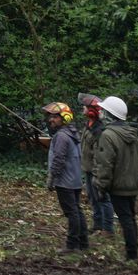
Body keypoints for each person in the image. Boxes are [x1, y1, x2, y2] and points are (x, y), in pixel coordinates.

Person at [91, 94, 138, 260]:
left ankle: (132, 255)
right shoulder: (131, 133)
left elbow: (105, 164)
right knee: (130, 217)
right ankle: (133, 251)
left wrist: (101, 186)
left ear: (109, 114)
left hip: (119, 185)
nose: (100, 113)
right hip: (132, 184)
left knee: (126, 219)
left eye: (104, 110)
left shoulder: (108, 135)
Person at [43, 102, 87, 251]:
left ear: (64, 118)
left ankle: (72, 245)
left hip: (65, 181)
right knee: (77, 211)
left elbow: (59, 159)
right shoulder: (73, 133)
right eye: (50, 116)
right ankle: (83, 243)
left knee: (72, 213)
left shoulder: (62, 136)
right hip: (74, 179)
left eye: (55, 117)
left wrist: (51, 178)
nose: (51, 120)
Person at [77, 94, 115, 236]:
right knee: (93, 199)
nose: (83, 109)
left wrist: (98, 172)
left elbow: (100, 154)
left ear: (92, 111)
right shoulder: (88, 126)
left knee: (103, 198)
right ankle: (97, 225)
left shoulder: (99, 130)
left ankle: (108, 229)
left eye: (85, 107)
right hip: (87, 169)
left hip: (96, 170)